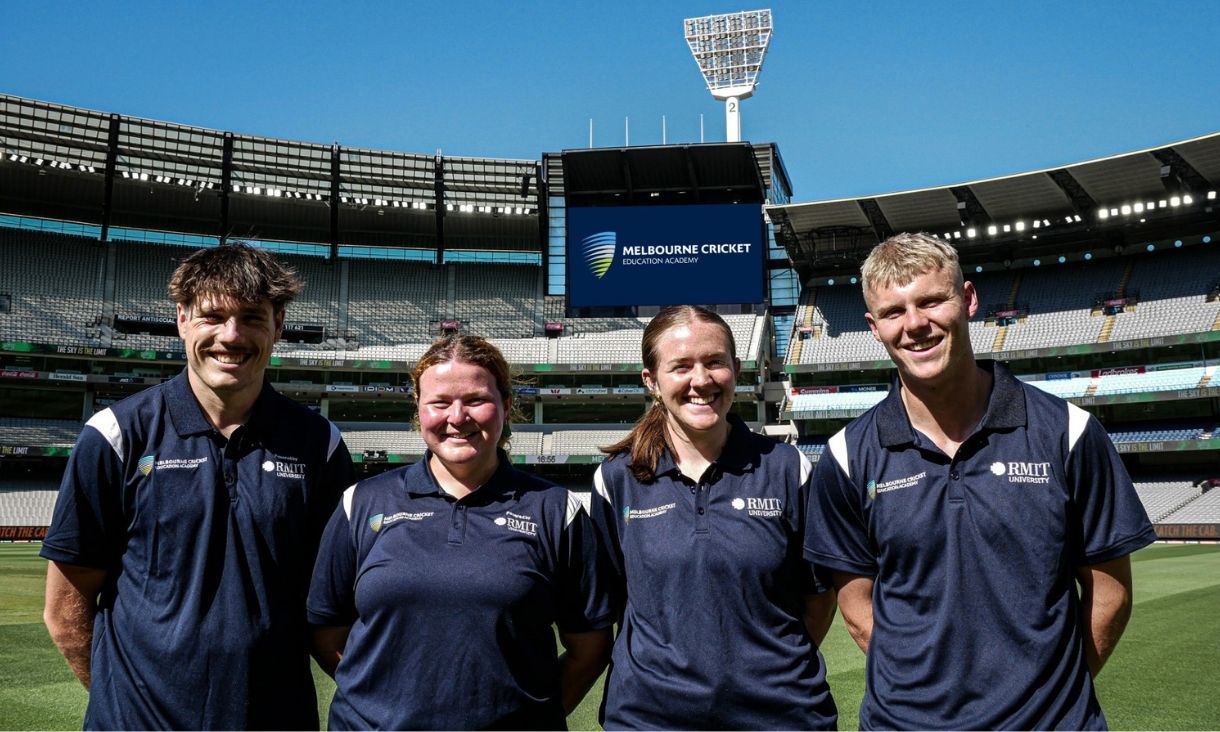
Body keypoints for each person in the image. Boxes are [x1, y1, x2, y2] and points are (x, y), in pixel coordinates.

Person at [804, 232, 1158, 730]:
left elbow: (1110, 589)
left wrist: (1050, 700)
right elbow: (857, 608)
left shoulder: (1069, 433)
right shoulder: (845, 457)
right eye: (894, 312)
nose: (915, 325)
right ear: (874, 326)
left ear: (968, 299)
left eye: (931, 301)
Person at [41, 243, 355, 730]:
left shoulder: (319, 444)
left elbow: (330, 606)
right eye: (212, 316)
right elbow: (65, 610)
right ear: (182, 318)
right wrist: (125, 705)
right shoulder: (116, 435)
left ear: (278, 324)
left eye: (252, 317)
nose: (231, 336)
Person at [308, 335, 613, 730]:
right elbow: (326, 634)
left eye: (475, 400)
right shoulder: (362, 503)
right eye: (439, 402)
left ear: (506, 404)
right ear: (419, 409)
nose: (457, 417)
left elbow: (589, 648)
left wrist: (532, 716)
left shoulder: (557, 510)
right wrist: (379, 706)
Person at [588, 305, 839, 730]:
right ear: (651, 381)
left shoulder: (788, 469)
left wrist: (764, 672)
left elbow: (818, 598)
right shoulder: (616, 481)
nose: (700, 380)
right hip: (651, 719)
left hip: (781, 716)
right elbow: (603, 608)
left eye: (714, 362)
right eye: (681, 366)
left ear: (736, 370)